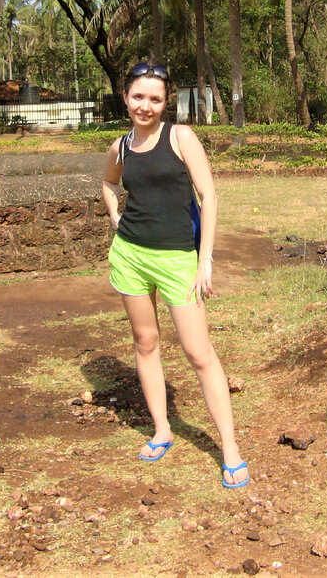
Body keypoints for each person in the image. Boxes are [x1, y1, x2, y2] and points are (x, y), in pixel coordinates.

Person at [101, 62, 249, 490]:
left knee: (199, 354)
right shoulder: (121, 146)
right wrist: (116, 219)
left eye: (155, 99)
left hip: (178, 260)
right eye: (138, 97)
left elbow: (209, 196)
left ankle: (229, 449)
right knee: (146, 342)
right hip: (130, 256)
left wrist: (205, 261)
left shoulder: (180, 137)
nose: (145, 106)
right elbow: (109, 184)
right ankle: (162, 429)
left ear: (166, 102)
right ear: (125, 97)